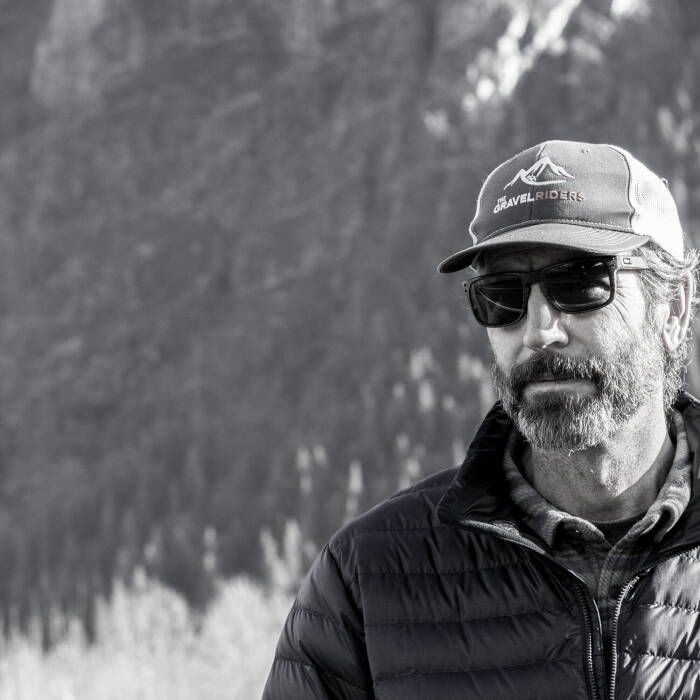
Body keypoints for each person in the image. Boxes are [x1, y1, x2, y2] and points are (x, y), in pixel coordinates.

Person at [262, 140, 700, 699]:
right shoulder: (366, 583)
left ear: (674, 304)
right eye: (503, 296)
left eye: (581, 284)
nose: (539, 330)